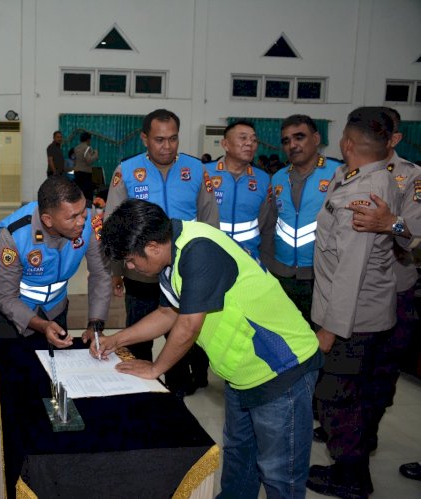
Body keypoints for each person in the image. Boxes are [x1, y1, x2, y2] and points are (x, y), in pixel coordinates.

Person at [95, 198, 322, 497]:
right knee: (240, 459)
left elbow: (188, 325)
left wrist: (155, 369)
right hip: (243, 372)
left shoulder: (197, 250)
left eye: (130, 259)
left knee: (280, 473)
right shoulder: (171, 255)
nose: (130, 266)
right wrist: (117, 339)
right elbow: (168, 314)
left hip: (281, 370)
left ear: (151, 246)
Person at [306, 107, 401, 498]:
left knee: (337, 400)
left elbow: (351, 269)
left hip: (353, 321)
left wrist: (329, 329)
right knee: (351, 398)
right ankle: (351, 466)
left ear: (347, 143)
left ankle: (350, 477)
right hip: (364, 315)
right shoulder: (363, 177)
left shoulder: (364, 192)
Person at [103, 108, 218, 395]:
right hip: (141, 279)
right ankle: (141, 394)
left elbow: (209, 221)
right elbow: (113, 226)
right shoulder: (127, 171)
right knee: (139, 340)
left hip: (183, 275)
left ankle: (177, 394)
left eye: (173, 139)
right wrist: (117, 272)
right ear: (145, 139)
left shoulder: (196, 170)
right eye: (159, 140)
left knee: (179, 338)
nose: (166, 146)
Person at [0, 175, 111, 351]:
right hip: (9, 311)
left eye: (83, 212)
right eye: (73, 217)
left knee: (54, 369)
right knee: (16, 370)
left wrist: (95, 325)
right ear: (48, 220)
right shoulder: (15, 236)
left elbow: (100, 273)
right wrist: (42, 326)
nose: (82, 221)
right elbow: (7, 297)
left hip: (54, 307)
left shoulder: (89, 221)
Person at [262, 114, 342, 328]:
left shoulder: (338, 173)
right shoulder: (278, 177)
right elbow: (271, 222)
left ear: (316, 139)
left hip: (321, 274)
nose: (292, 145)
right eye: (286, 140)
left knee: (320, 337)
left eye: (299, 137)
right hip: (283, 273)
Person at [204, 120, 273, 261]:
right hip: (210, 256)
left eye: (253, 140)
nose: (249, 143)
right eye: (243, 138)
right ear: (225, 144)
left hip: (248, 258)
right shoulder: (204, 173)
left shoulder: (263, 179)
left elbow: (264, 222)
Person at [72, 131, 99, 205]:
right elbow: (89, 160)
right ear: (88, 140)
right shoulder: (87, 148)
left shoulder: (76, 148)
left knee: (79, 192)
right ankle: (88, 209)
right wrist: (96, 154)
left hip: (77, 172)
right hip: (85, 173)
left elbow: (74, 160)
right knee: (87, 193)